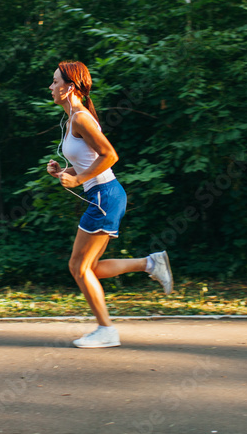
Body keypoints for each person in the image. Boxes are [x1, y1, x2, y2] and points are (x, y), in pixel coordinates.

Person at [45, 60, 173, 349]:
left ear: (69, 87)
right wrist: (63, 172)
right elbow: (88, 163)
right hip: (104, 195)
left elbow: (110, 156)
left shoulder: (81, 118)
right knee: (89, 268)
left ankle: (106, 330)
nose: (51, 87)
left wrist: (78, 180)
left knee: (78, 267)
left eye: (55, 82)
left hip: (105, 196)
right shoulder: (73, 119)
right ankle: (150, 263)